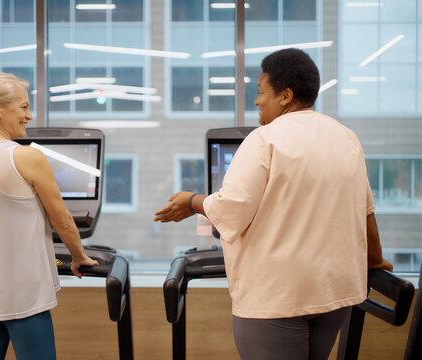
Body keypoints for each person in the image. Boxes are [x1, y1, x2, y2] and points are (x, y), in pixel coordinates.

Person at [154, 48, 392, 360]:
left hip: (277, 297)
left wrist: (192, 201)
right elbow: (365, 213)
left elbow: (231, 209)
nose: (256, 101)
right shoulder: (346, 137)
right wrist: (375, 264)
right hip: (333, 294)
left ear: (286, 96)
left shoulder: (264, 139)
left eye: (261, 92)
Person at [0, 72, 98, 360]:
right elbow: (61, 220)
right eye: (23, 107)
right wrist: (78, 257)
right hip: (25, 296)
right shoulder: (27, 157)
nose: (29, 115)